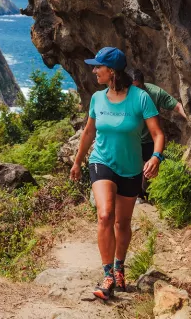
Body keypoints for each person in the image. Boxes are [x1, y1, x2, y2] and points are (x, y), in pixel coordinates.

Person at [70, 47, 165, 300]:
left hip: (131, 168)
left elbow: (158, 134)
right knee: (105, 215)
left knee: (122, 223)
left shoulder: (140, 98)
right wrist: (78, 162)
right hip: (101, 162)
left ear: (111, 71)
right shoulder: (97, 99)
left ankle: (120, 266)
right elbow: (89, 133)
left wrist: (156, 157)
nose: (94, 71)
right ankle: (108, 274)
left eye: (98, 66)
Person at [130, 69, 187, 200]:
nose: (135, 91)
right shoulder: (124, 94)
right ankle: (137, 196)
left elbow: (177, 106)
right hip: (132, 140)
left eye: (138, 87)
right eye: (132, 88)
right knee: (133, 169)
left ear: (143, 84)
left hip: (150, 138)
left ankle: (151, 197)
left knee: (150, 170)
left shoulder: (154, 92)